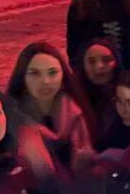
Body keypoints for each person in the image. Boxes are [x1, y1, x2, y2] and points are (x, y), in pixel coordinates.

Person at [6, 42, 95, 171]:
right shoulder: (11, 118)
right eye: (35, 73)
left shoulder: (75, 113)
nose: (46, 81)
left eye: (53, 72)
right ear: (22, 77)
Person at [76, 37, 123, 135]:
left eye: (106, 60)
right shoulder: (73, 97)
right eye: (92, 61)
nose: (99, 66)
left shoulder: (127, 95)